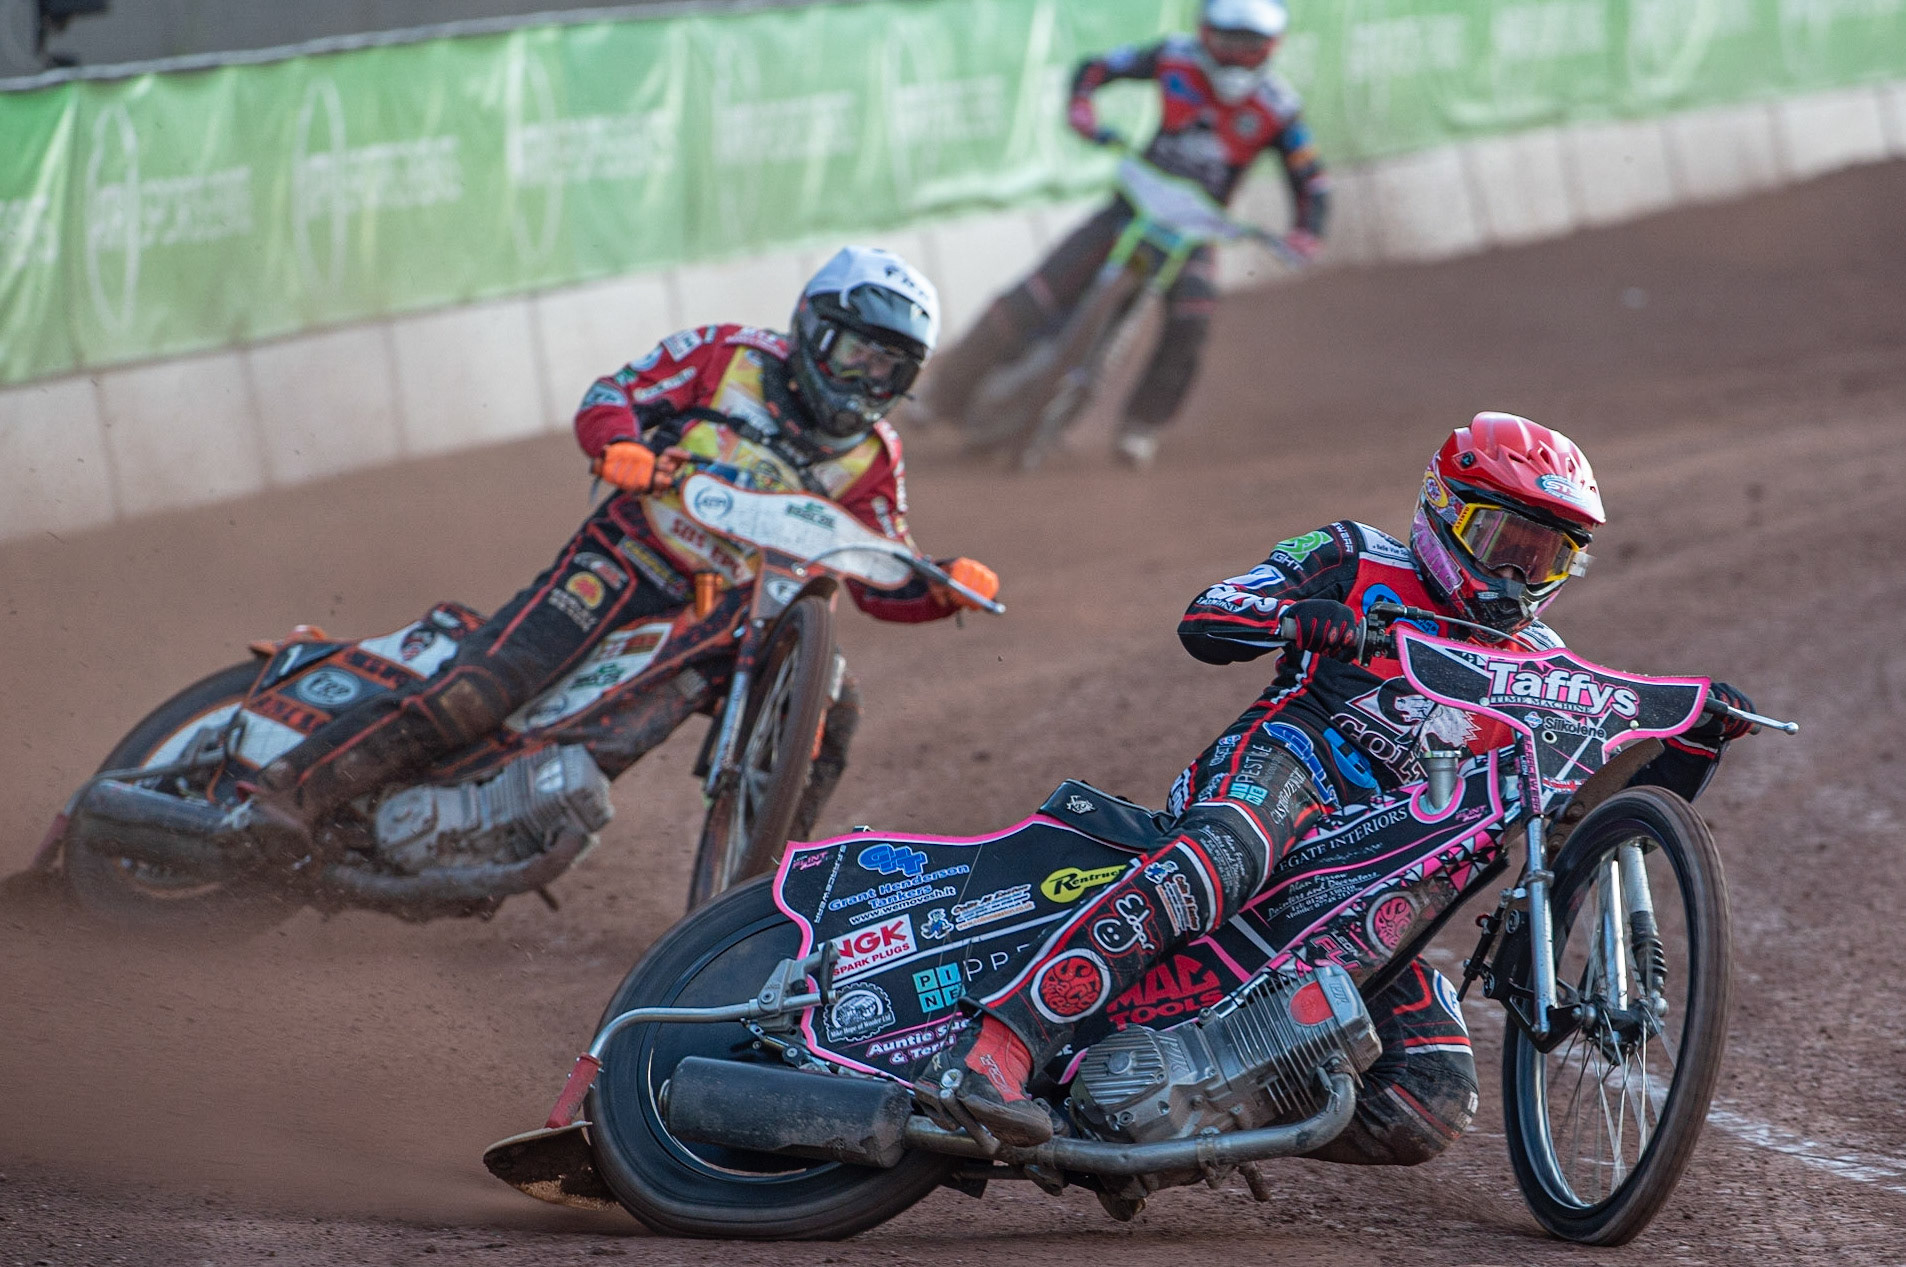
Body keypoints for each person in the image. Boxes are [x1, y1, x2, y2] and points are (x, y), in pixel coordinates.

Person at [922, 412, 1754, 1151]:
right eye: (1504, 543)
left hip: (1378, 870)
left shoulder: (1544, 666)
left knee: (1428, 1098)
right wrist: (1297, 616)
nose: (1514, 577)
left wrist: (1691, 741)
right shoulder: (1355, 556)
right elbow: (1206, 615)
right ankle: (999, 1049)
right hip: (1289, 770)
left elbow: (1588, 819)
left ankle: (1189, 1110)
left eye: (1544, 557)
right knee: (1230, 854)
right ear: (1444, 513)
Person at [242, 247, 1000, 850]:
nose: (866, 380)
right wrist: (623, 448)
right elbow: (614, 395)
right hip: (630, 556)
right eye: (855, 355)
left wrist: (939, 590)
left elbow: (879, 570)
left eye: (888, 369)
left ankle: (759, 898)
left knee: (833, 709)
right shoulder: (727, 354)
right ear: (811, 329)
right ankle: (288, 790)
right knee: (487, 685)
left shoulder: (877, 455)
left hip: (731, 614)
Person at [912, 0, 1328, 467]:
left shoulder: (1279, 108)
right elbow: (1096, 69)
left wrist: (1305, 234)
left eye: (1249, 47)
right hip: (1130, 209)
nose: (1234, 57)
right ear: (1205, 33)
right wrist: (1082, 110)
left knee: (1192, 319)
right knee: (1036, 293)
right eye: (1227, 42)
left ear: (1271, 47)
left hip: (1193, 233)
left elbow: (1310, 180)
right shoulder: (1175, 58)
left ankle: (1141, 427)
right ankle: (940, 396)